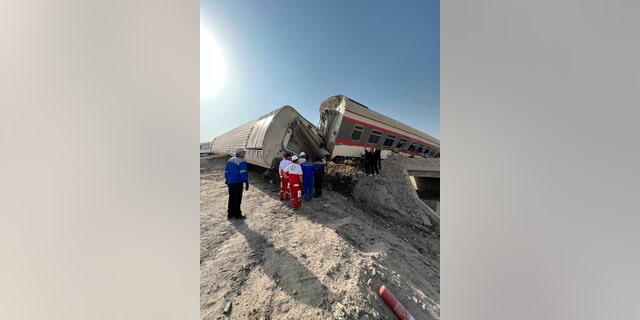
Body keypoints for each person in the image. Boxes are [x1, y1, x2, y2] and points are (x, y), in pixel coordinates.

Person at [224, 148, 249, 220]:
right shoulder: (242, 161)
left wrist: (227, 179)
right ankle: (237, 214)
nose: (245, 154)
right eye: (244, 153)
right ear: (240, 153)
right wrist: (246, 182)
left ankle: (230, 214)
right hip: (238, 182)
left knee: (231, 197)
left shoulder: (230, 160)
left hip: (230, 182)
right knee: (237, 198)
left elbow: (226, 171)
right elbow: (243, 173)